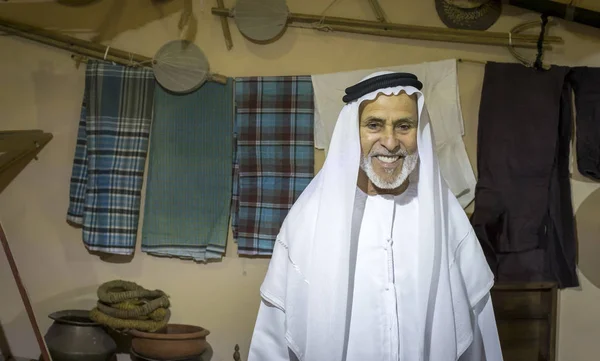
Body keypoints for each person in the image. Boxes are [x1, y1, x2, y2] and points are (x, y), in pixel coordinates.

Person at [247, 71, 503, 361]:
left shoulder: (447, 219)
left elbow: (478, 333)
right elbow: (274, 340)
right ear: (353, 132)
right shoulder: (309, 220)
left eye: (404, 126)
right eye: (374, 125)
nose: (391, 142)